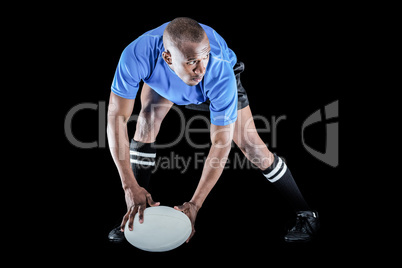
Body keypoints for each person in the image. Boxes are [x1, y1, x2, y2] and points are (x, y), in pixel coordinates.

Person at [107, 17, 319, 244]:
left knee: (252, 148)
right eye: (192, 62)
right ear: (167, 57)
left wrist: (195, 205)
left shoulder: (217, 71)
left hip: (215, 87)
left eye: (204, 57)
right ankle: (136, 212)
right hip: (166, 79)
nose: (201, 69)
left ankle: (306, 214)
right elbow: (116, 117)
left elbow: (220, 143)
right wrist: (129, 186)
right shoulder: (137, 55)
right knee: (146, 120)